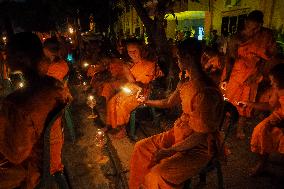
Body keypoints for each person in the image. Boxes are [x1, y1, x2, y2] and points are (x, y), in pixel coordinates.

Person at [128, 39, 224, 189]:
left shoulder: (206, 92)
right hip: (180, 133)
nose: (177, 61)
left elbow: (201, 135)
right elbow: (168, 102)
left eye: (178, 58)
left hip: (200, 147)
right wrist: (145, 102)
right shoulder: (186, 82)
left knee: (157, 175)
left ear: (187, 58)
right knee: (141, 147)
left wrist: (170, 151)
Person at [0, 32, 69, 188]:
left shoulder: (16, 104)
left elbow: (16, 154)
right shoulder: (54, 86)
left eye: (7, 53)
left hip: (30, 169)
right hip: (50, 154)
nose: (5, 58)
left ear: (21, 59)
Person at [221, 10, 277, 139]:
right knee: (230, 100)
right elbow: (230, 59)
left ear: (261, 25)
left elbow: (269, 58)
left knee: (246, 103)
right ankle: (226, 123)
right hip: (236, 74)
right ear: (246, 23)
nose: (254, 31)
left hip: (254, 74)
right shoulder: (236, 38)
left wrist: (259, 74)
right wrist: (226, 78)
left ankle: (240, 129)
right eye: (251, 28)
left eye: (258, 28)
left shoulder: (266, 36)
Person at [106, 39, 163, 138]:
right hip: (132, 88)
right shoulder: (127, 65)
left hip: (143, 91)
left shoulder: (150, 64)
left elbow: (148, 81)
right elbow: (132, 82)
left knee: (122, 104)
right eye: (129, 51)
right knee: (112, 101)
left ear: (140, 49)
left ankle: (122, 129)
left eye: (134, 51)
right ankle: (111, 125)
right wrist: (127, 70)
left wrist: (139, 86)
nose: (132, 54)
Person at [238, 63, 284, 176]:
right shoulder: (277, 90)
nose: (271, 83)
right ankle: (262, 164)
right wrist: (249, 104)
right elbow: (270, 105)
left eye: (274, 80)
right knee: (260, 130)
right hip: (280, 115)